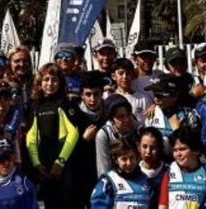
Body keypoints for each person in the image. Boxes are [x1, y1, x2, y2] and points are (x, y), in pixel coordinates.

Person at [25, 64, 79, 209]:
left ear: (60, 82)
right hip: (43, 163)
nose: (50, 84)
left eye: (54, 80)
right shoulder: (35, 105)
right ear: (40, 82)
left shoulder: (65, 103)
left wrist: (60, 162)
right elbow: (30, 136)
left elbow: (74, 133)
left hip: (63, 162)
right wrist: (36, 164)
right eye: (46, 79)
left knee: (65, 203)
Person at [156, 127, 206, 209]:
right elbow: (163, 205)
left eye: (182, 149)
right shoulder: (170, 172)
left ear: (196, 150)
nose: (178, 154)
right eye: (175, 150)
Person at [69, 71, 105, 206]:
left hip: (101, 174)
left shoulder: (107, 114)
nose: (92, 99)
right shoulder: (73, 115)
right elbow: (68, 151)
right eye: (88, 94)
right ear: (81, 95)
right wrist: (83, 140)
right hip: (79, 176)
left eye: (96, 94)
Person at [89, 139, 154, 209]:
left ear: (137, 157)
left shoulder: (146, 181)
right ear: (116, 160)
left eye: (132, 157)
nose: (129, 163)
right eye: (124, 159)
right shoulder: (108, 182)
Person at [96, 95, 138, 177]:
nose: (126, 120)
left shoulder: (139, 128)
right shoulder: (104, 135)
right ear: (111, 119)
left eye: (128, 114)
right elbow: (104, 169)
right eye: (121, 117)